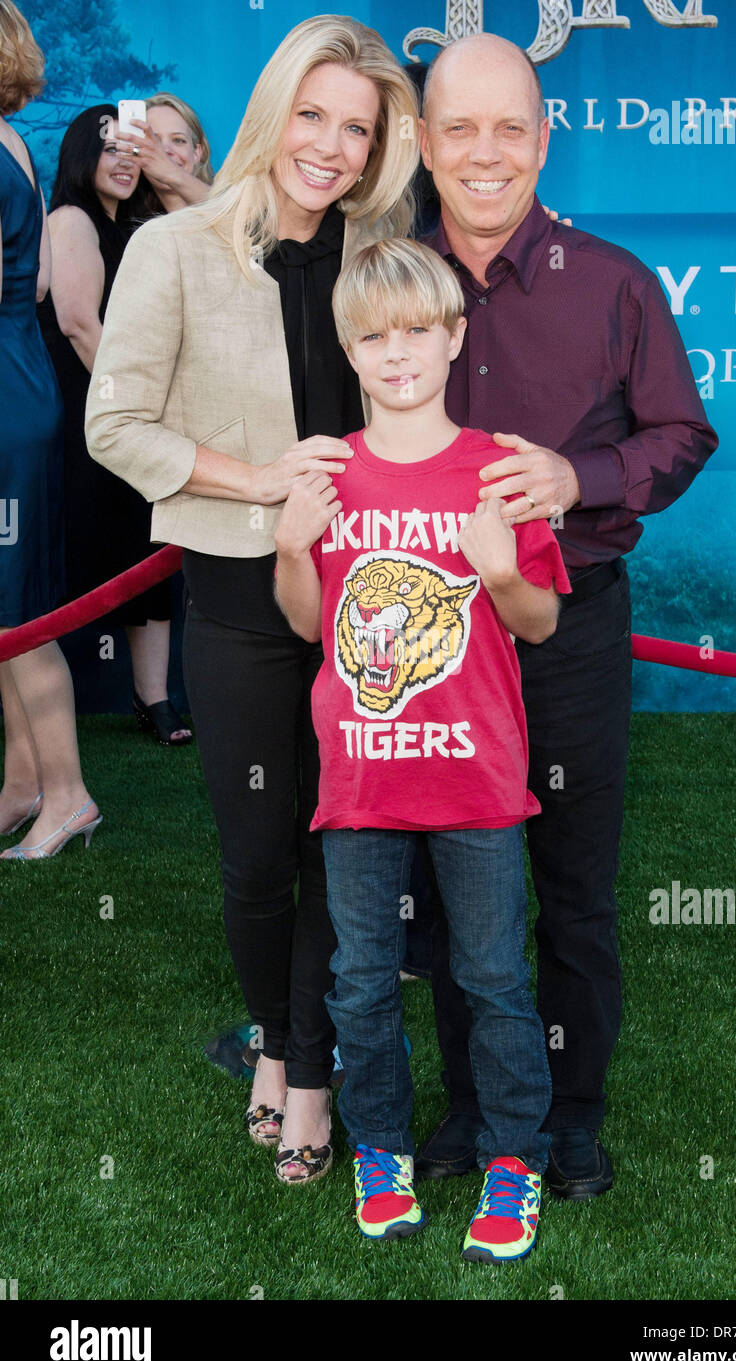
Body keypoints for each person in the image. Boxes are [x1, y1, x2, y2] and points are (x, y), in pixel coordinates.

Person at [85, 16, 419, 1181]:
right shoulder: (173, 251)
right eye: (314, 116)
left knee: (348, 843)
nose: (329, 147)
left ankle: (312, 1072)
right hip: (233, 588)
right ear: (274, 112)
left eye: (358, 129)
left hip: (370, 594)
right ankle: (273, 1041)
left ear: (381, 148)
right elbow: (116, 424)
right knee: (256, 849)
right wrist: (265, 478)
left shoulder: (382, 256)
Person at [413, 33, 719, 1196]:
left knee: (572, 885)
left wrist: (572, 479)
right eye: (459, 129)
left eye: (509, 128)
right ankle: (468, 1106)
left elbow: (679, 434)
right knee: (443, 882)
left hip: (569, 624)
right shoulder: (388, 282)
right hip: (431, 631)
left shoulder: (614, 281)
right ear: (427, 145)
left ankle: (570, 1114)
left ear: (544, 139)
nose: (485, 155)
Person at [275, 237, 571, 1261]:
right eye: (371, 335)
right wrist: (286, 543)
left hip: (477, 776)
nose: (394, 352)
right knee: (359, 979)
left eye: (415, 330)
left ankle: (511, 1160)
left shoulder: (496, 468)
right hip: (358, 776)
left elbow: (536, 622)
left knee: (491, 975)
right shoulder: (329, 472)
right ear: (347, 348)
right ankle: (381, 1149)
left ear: (452, 336)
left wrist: (495, 571)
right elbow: (311, 625)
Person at [36, 105, 193, 747]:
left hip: (126, 418)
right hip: (88, 422)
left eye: (135, 150)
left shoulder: (138, 226)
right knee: (87, 557)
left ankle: (153, 700)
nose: (126, 160)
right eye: (111, 148)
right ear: (79, 157)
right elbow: (80, 326)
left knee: (148, 550)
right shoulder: (71, 220)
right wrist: (137, 410)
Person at [0, 0, 101, 861]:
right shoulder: (15, 143)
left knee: (18, 613)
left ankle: (66, 794)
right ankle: (23, 782)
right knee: (3, 605)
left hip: (6, 402)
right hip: (17, 388)